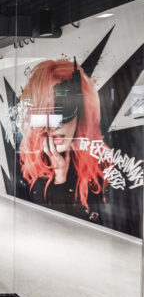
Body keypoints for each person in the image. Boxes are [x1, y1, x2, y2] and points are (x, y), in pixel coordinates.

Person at [17, 58, 107, 222]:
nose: (54, 125)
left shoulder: (101, 165)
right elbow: (36, 219)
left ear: (82, 111)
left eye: (64, 108)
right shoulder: (26, 161)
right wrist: (59, 176)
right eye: (45, 112)